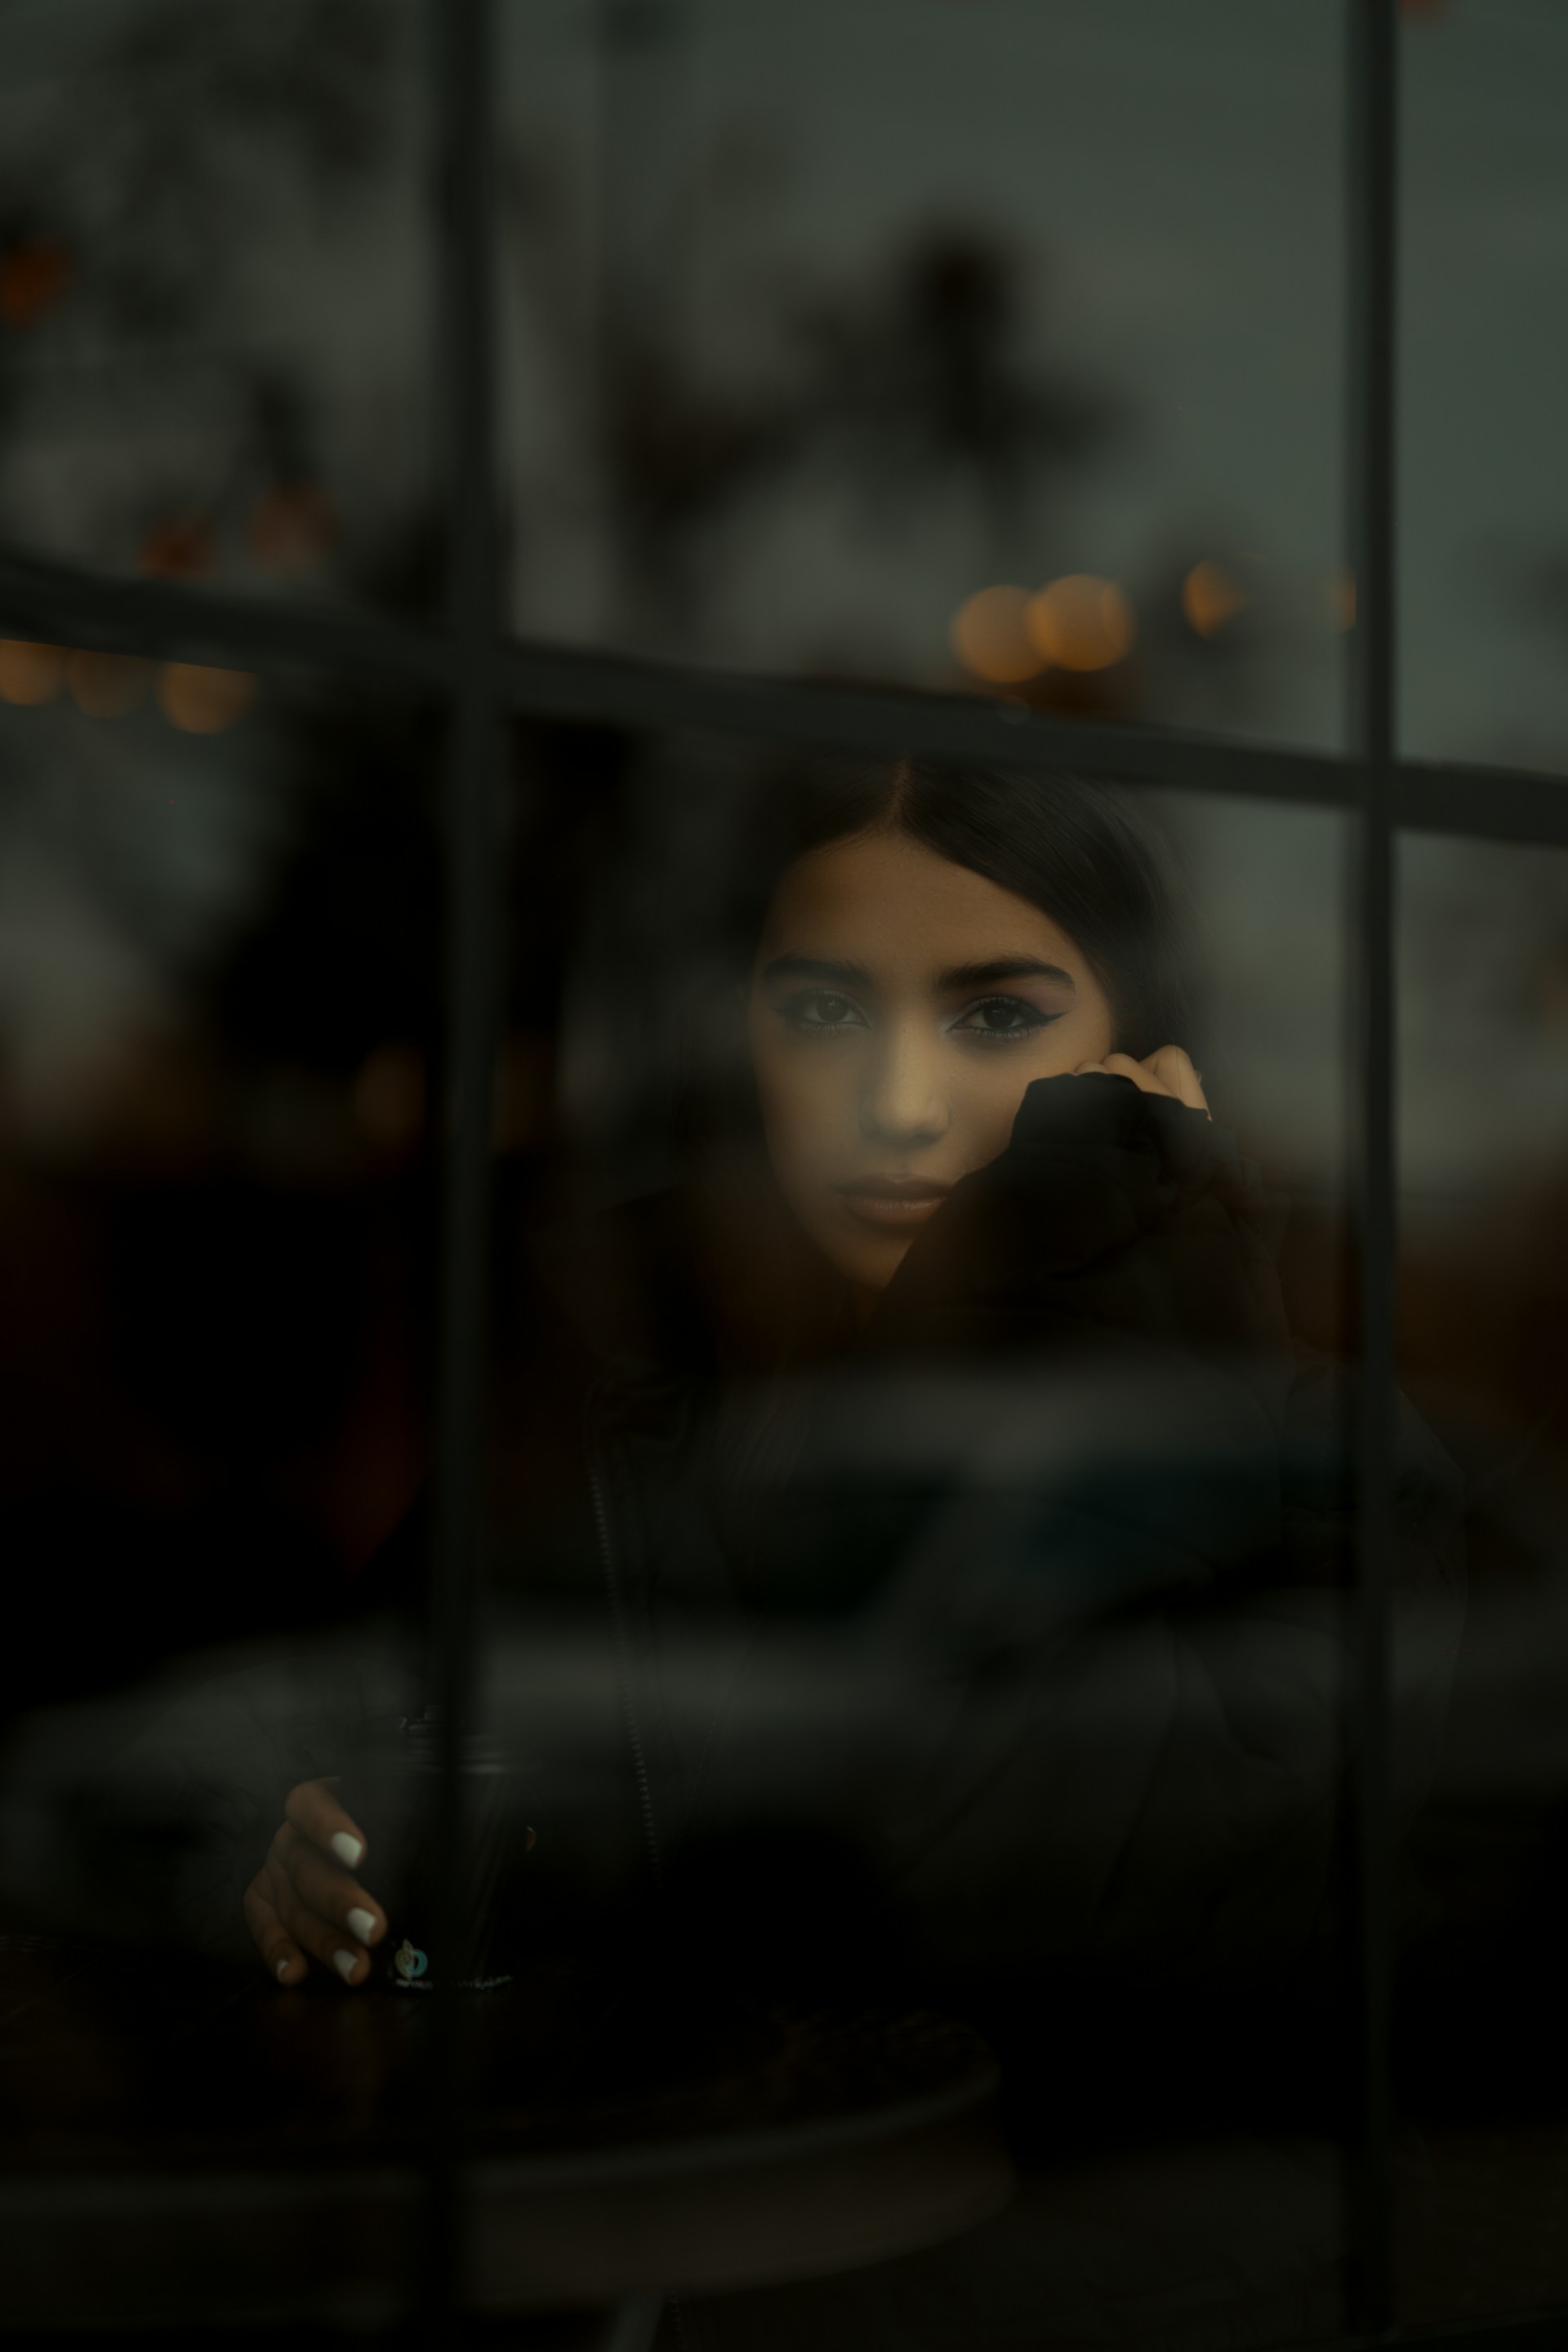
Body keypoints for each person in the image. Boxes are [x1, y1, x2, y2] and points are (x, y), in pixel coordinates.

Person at [238, 754, 1463, 2016]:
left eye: (994, 1018)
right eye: (824, 1013)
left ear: (1131, 1066)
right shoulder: (647, 1444)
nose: (898, 1104)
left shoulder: (1177, 1466)